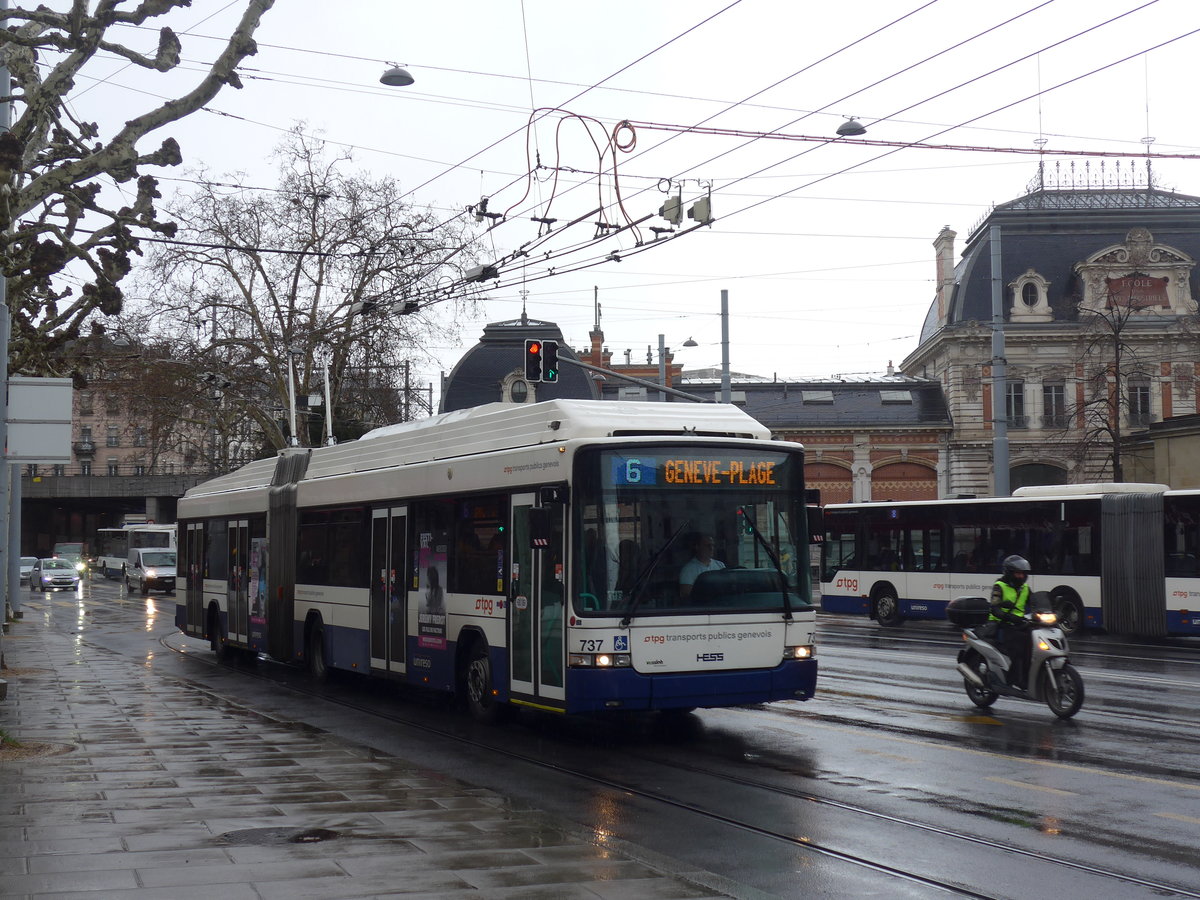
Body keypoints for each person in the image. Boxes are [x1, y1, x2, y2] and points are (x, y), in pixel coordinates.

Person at [989, 554, 1032, 688]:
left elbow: (1034, 602)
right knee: (1019, 647)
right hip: (1001, 625)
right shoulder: (999, 586)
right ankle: (1016, 679)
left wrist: (1051, 610)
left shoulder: (1025, 588)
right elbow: (995, 608)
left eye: (1023, 574)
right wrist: (1009, 617)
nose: (1021, 577)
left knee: (1034, 642)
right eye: (1017, 574)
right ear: (1009, 573)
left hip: (1019, 623)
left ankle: (1031, 676)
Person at [679, 533, 724, 599]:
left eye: (713, 545)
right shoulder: (688, 570)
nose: (711, 548)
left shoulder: (720, 565)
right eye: (708, 545)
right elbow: (685, 594)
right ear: (697, 547)